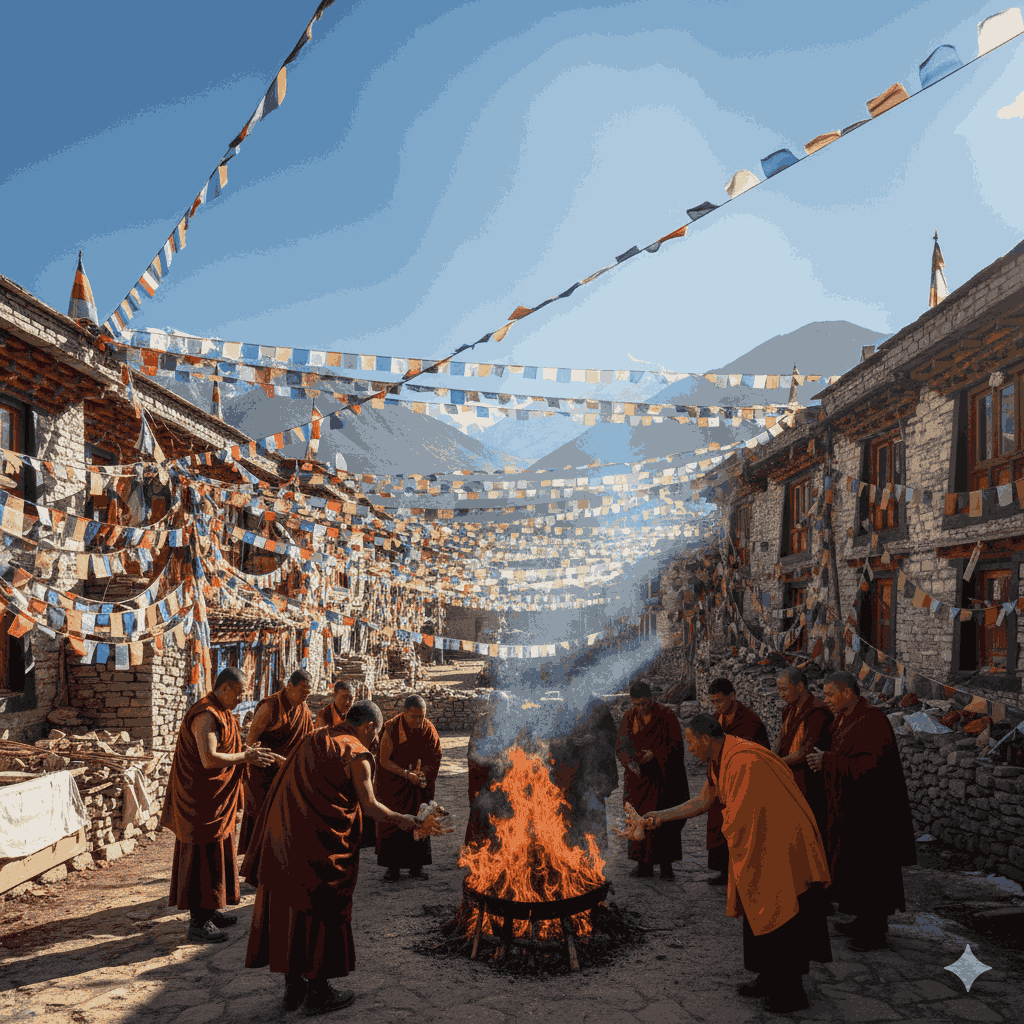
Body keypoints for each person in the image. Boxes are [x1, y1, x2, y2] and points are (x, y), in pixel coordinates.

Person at [645, 713, 832, 1014]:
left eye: (692, 742)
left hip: (780, 843)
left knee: (780, 910)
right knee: (757, 908)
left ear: (706, 739)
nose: (690, 749)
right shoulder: (720, 760)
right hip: (760, 842)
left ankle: (791, 991)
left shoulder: (745, 760)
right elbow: (703, 802)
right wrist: (658, 817)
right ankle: (769, 977)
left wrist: (739, 846)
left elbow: (745, 816)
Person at [242, 700, 418, 1015]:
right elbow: (370, 806)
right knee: (322, 912)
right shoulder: (356, 754)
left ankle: (293, 990)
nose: (374, 741)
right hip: (322, 849)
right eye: (374, 734)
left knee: (291, 914)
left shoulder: (314, 738)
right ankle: (318, 993)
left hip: (285, 841)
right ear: (368, 727)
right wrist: (403, 819)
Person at [160, 667, 276, 943]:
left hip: (215, 799)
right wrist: (246, 757)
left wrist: (248, 755)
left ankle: (211, 910)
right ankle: (198, 923)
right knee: (202, 858)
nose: (240, 699)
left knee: (218, 854)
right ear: (224, 688)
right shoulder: (205, 715)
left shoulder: (222, 712)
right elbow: (209, 759)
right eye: (238, 693)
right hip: (200, 802)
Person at [807, 671, 917, 951]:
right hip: (850, 808)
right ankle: (861, 919)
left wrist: (828, 760)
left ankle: (874, 931)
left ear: (847, 692)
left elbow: (870, 765)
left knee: (871, 871)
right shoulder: (845, 719)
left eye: (831, 694)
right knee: (854, 867)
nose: (826, 700)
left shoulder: (872, 719)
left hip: (873, 813)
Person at [615, 681, 688, 880]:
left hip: (662, 777)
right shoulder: (629, 717)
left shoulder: (666, 715)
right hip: (638, 778)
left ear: (651, 698)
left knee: (662, 819)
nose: (642, 708)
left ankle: (666, 866)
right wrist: (630, 763)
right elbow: (621, 747)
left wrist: (656, 753)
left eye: (645, 703)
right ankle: (643, 865)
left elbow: (676, 745)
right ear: (632, 702)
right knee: (637, 818)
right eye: (637, 704)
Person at [237, 669, 314, 856]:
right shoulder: (269, 707)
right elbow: (250, 745)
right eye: (302, 692)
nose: (304, 698)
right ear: (289, 687)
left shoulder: (303, 709)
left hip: (287, 775)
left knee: (285, 824)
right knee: (262, 823)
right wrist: (277, 759)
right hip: (263, 774)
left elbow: (308, 741)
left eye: (308, 694)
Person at [705, 677, 768, 885]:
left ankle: (741, 873)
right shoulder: (717, 719)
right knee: (719, 826)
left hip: (742, 783)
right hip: (721, 783)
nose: (717, 706)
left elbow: (754, 753)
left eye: (720, 701)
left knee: (741, 830)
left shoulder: (750, 721)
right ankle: (724, 872)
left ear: (732, 696)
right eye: (713, 702)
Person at [375, 695, 443, 881]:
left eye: (422, 716)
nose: (419, 721)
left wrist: (423, 775)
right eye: (414, 717)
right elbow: (383, 760)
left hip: (418, 786)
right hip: (394, 784)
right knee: (393, 820)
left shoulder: (428, 729)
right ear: (404, 713)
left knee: (420, 818)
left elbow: (435, 755)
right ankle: (392, 867)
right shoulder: (391, 728)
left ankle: (417, 865)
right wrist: (406, 774)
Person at [550, 693, 619, 852]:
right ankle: (575, 860)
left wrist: (593, 737)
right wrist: (569, 740)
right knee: (573, 817)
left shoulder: (598, 706)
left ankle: (596, 861)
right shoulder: (566, 704)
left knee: (594, 815)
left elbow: (612, 736)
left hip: (594, 774)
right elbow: (558, 735)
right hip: (572, 774)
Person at [773, 667, 832, 843]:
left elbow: (805, 751)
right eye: (779, 690)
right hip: (790, 777)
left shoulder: (817, 711)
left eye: (784, 689)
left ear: (799, 686)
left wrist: (775, 763)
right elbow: (782, 741)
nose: (781, 694)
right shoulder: (789, 710)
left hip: (810, 780)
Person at [318, 680, 377, 849]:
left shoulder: (355, 715)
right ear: (334, 695)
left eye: (351, 698)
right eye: (344, 697)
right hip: (332, 766)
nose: (348, 702)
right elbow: (322, 741)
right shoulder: (325, 715)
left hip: (353, 763)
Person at [465, 690, 511, 847]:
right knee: (480, 808)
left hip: (502, 773)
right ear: (492, 706)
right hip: (482, 772)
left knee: (502, 809)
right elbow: (474, 750)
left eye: (505, 706)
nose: (503, 710)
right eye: (499, 706)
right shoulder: (482, 721)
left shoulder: (509, 722)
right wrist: (490, 760)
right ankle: (476, 846)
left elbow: (513, 746)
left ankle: (499, 844)